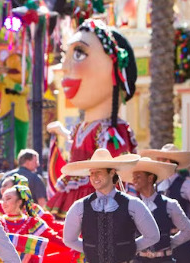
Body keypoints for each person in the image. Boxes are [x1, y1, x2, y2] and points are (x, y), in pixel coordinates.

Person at [45, 18, 139, 219]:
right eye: (65, 55)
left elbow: (121, 176)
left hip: (99, 202)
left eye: (79, 53)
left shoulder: (114, 131)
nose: (65, 66)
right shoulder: (81, 128)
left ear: (114, 68)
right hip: (75, 199)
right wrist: (62, 135)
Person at [62, 149, 160, 263]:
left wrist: (128, 249)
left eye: (98, 172)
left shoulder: (133, 204)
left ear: (112, 172)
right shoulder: (79, 206)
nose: (94, 177)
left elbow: (153, 235)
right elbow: (69, 240)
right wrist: (91, 250)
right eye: (92, 173)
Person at [141, 144, 190, 263]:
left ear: (167, 162)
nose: (157, 163)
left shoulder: (186, 185)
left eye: (160, 160)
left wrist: (186, 227)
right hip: (159, 244)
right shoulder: (156, 185)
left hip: (180, 243)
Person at [119, 157, 190, 263]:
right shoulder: (131, 205)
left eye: (138, 176)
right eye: (134, 177)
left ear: (150, 178)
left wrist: (169, 243)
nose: (134, 180)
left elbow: (188, 231)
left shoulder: (170, 204)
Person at [0, 185, 71, 262]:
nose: (4, 203)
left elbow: (54, 241)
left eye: (8, 199)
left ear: (19, 202)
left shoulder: (32, 222)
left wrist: (75, 246)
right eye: (2, 200)